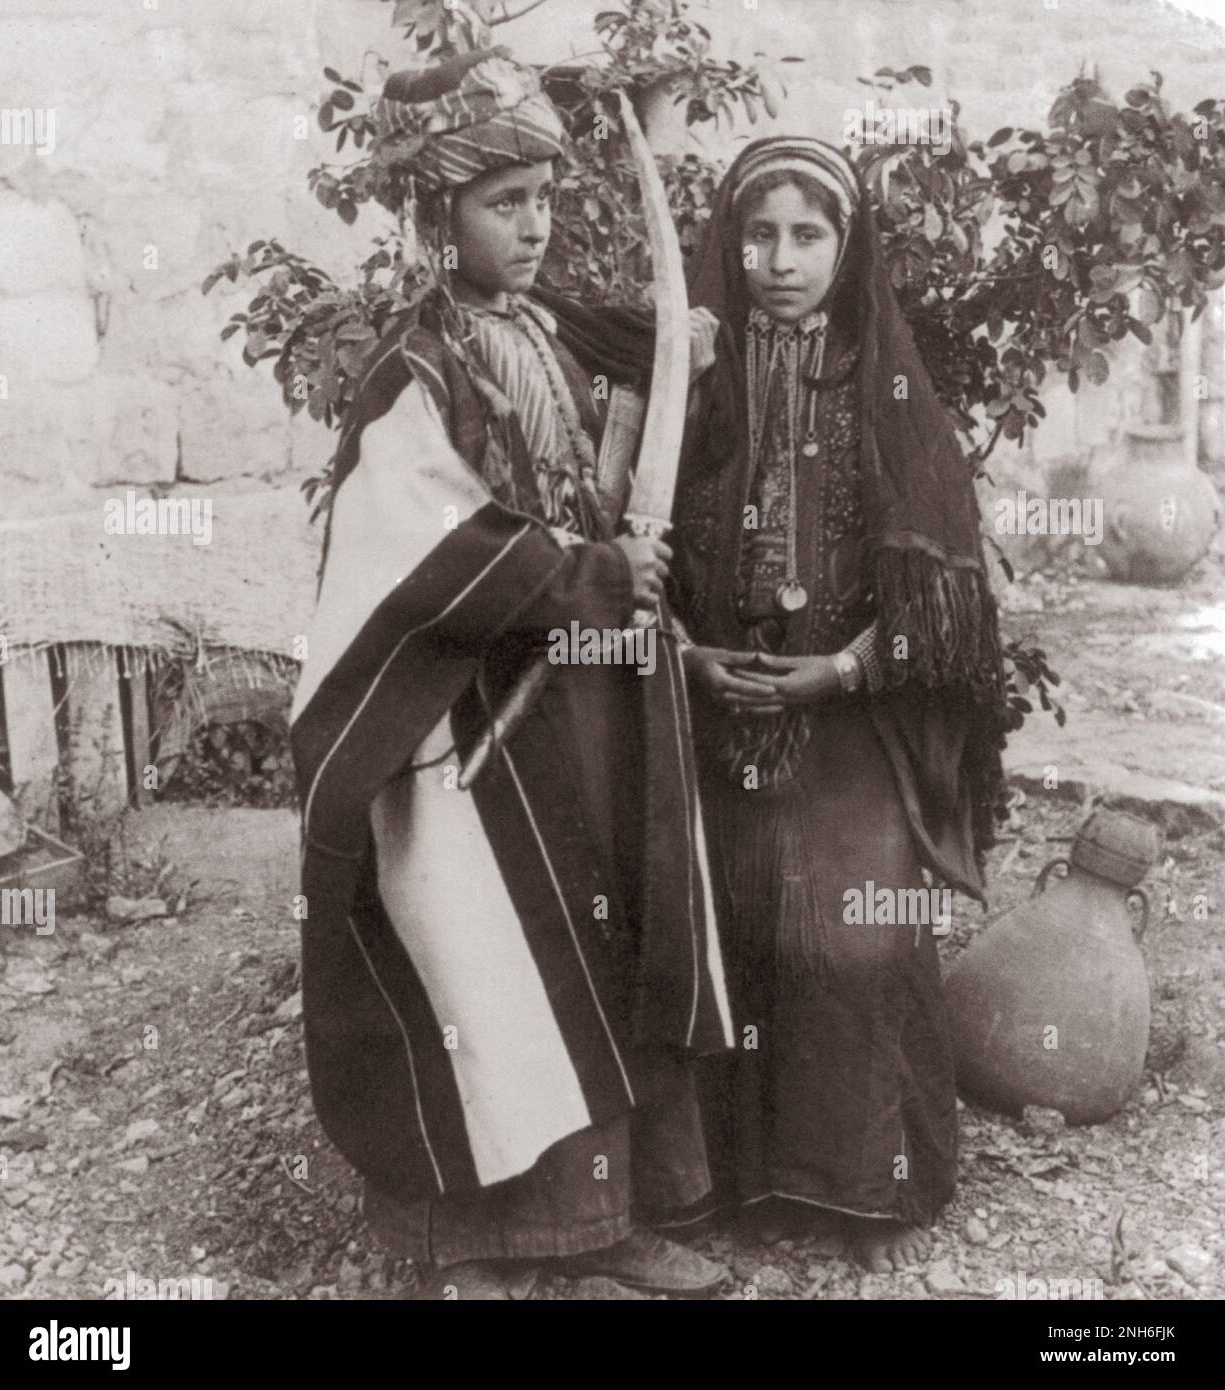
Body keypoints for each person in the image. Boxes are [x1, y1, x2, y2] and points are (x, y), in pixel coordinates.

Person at [289, 48, 732, 1300]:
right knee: (485, 963)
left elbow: (654, 378)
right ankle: (470, 1245)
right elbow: (415, 532)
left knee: (604, 935)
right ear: (438, 218)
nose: (534, 225)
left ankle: (603, 1227)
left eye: (544, 195)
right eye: (503, 202)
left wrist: (640, 459)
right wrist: (578, 575)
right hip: (469, 727)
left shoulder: (541, 330)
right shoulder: (414, 367)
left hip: (581, 704)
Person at [669, 137, 1010, 1271]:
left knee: (851, 936)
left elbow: (948, 592)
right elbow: (632, 546)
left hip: (850, 703)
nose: (777, 259)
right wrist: (682, 655)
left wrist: (844, 671)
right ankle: (726, 1179)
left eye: (806, 235)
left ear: (846, 246)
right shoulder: (687, 382)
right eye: (757, 234)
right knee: (725, 922)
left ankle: (864, 1186)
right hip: (714, 702)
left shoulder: (890, 385)